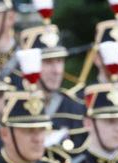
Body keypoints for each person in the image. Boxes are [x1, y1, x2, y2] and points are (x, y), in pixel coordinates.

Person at [19, 24, 87, 155]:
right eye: (48, 62)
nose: (57, 70)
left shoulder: (76, 109)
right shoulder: (13, 108)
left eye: (60, 61)